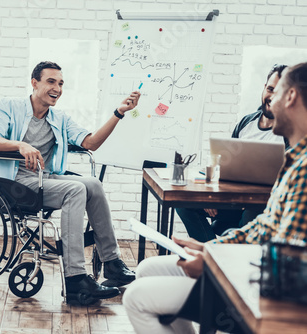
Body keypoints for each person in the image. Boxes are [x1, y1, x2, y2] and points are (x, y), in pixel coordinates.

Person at [123, 62, 307, 333]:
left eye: (276, 92)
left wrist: (214, 264)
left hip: (269, 291)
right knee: (148, 268)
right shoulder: (294, 159)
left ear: (290, 97)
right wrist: (213, 248)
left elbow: (286, 258)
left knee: (136, 297)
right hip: (256, 265)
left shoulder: (302, 169)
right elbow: (266, 227)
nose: (271, 100)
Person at [0, 61, 140, 303]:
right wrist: (21, 145)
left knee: (93, 184)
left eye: (61, 83)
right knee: (75, 189)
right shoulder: (9, 106)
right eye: (51, 81)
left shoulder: (59, 117)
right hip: (13, 183)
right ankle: (75, 278)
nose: (57, 88)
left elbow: (91, 143)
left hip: (43, 179)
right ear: (34, 83)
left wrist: (118, 113)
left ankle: (112, 264)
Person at [176, 64, 289, 242]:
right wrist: (210, 199)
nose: (272, 96)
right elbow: (226, 166)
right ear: (264, 88)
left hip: (261, 206)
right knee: (183, 204)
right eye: (270, 89)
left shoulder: (289, 132)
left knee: (252, 214)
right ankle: (210, 252)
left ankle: (220, 254)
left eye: (279, 92)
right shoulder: (247, 123)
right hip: (233, 202)